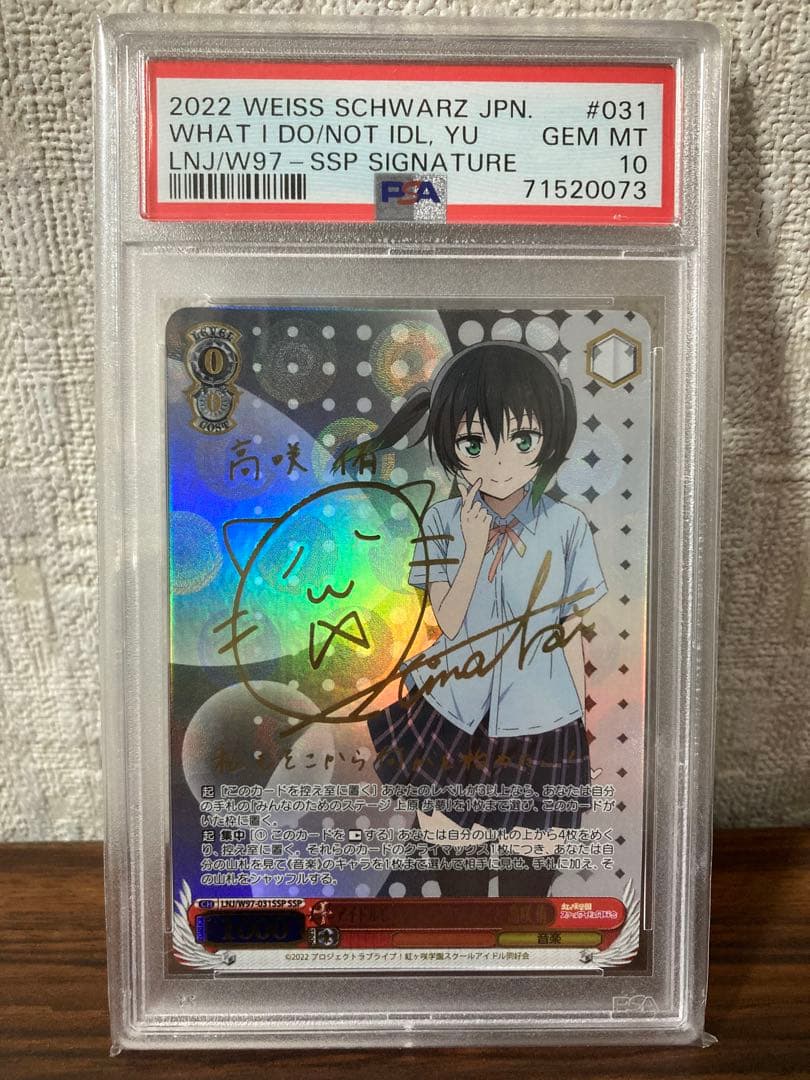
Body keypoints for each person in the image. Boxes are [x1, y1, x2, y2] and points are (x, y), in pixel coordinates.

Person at [336, 339, 607, 898]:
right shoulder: (440, 521)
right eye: (474, 443)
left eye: (522, 440)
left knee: (531, 875)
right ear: (449, 443)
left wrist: (579, 735)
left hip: (542, 719)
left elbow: (569, 634)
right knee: (456, 867)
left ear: (548, 439)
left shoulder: (568, 526)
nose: (499, 463)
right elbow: (450, 620)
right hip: (454, 711)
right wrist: (475, 546)